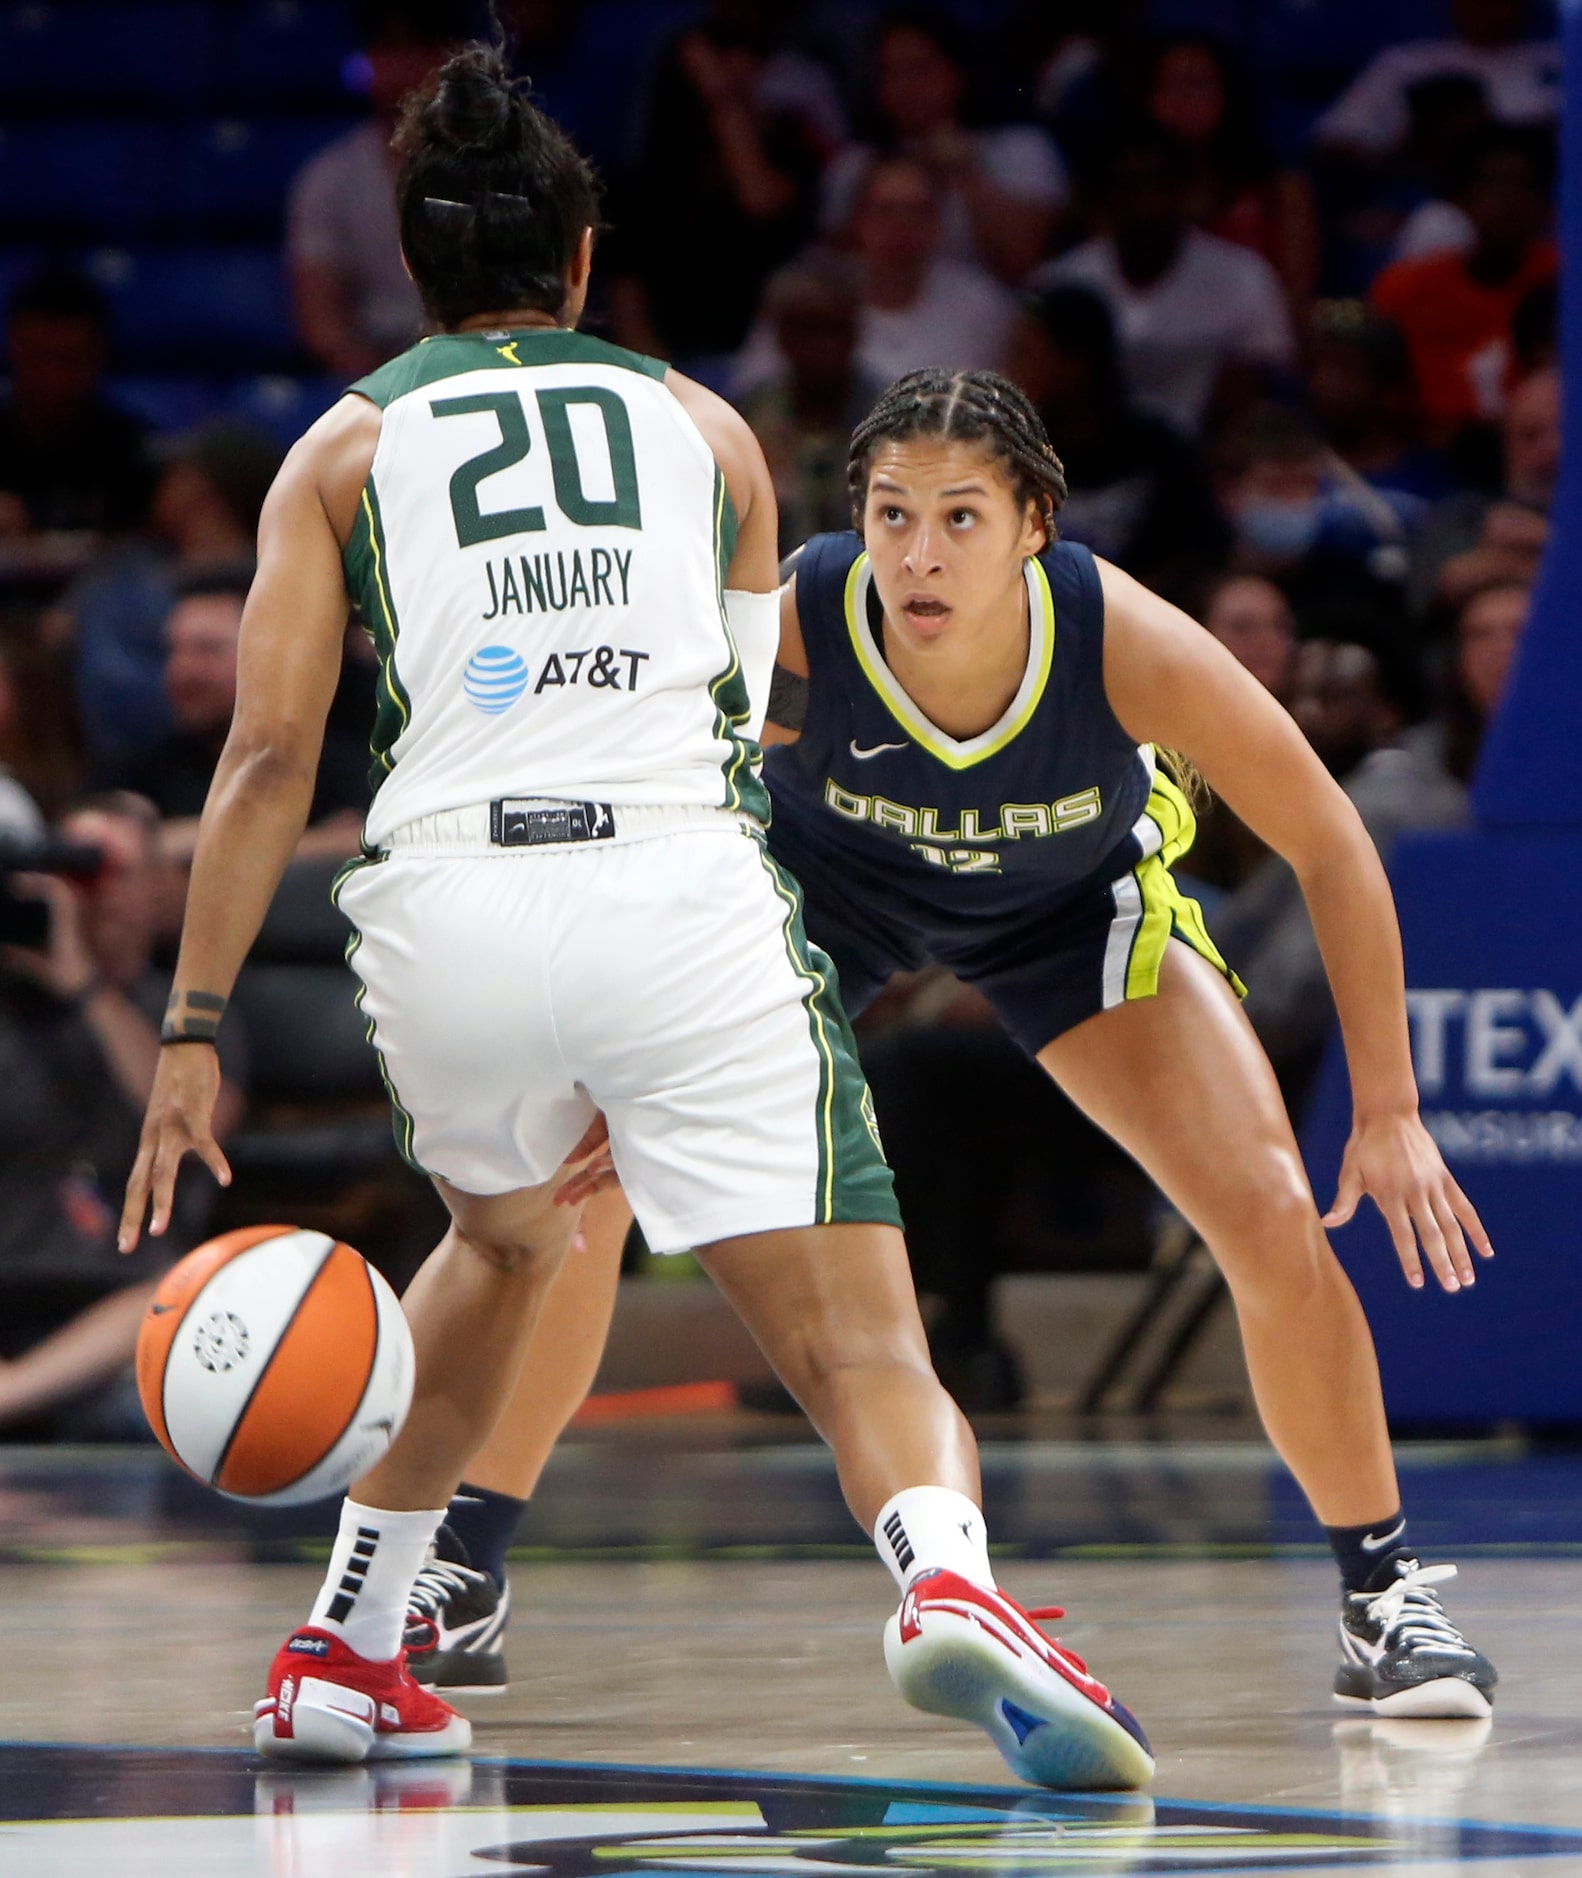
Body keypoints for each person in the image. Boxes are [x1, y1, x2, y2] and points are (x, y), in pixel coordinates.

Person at [118, 44, 1152, 1791]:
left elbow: (269, 755)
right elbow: (737, 744)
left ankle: (348, 1644)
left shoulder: (341, 445)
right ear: (582, 260)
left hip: (445, 906)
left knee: (507, 1241)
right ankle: (947, 1580)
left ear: (413, 265)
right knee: (856, 1339)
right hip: (670, 881)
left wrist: (191, 1030)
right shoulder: (711, 430)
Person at [410, 368, 1499, 1735]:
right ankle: (462, 1561)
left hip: (1067, 907)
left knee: (1271, 1210)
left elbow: (1332, 841)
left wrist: (1387, 1105)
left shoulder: (1121, 639)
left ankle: (1382, 1597)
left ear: (1035, 522)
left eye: (961, 518)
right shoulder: (793, 618)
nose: (919, 555)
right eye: (892, 515)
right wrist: (618, 1020)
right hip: (820, 890)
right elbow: (653, 797)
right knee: (584, 1175)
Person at [0, 794, 245, 1436]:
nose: (92, 893)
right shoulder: (11, 1006)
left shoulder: (190, 1018)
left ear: (162, 892)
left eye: (113, 872)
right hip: (9, 1285)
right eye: (75, 871)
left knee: (173, 1382)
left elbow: (203, 1135)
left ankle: (14, 1397)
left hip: (117, 1308)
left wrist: (84, 986)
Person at [1033, 124, 1295, 435]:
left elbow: (1264, 387)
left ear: (1187, 193)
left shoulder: (1243, 276)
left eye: (1161, 187)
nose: (1149, 204)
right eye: (1133, 188)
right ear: (1103, 196)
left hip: (1209, 457)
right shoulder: (1061, 282)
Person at [99, 570, 370, 867]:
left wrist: (191, 843)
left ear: (275, 654)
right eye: (173, 651)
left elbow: (359, 844)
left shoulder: (346, 759)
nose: (182, 670)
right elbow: (101, 839)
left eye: (207, 650)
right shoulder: (142, 766)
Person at [57, 416, 282, 771]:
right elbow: (107, 683)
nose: (161, 485)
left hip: (272, 748)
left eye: (177, 474)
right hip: (153, 758)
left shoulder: (288, 571)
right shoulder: (125, 576)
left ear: (205, 492)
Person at [1006, 282, 1228, 598]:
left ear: (1076, 365)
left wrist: (1129, 606)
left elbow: (1201, 553)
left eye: (1024, 353)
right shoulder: (1006, 453)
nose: (1011, 369)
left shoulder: (1159, 450)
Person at [821, 7, 1067, 285]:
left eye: (919, 69)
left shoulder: (1022, 148)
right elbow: (836, 264)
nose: (905, 86)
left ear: (957, 72)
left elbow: (1022, 263)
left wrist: (964, 172)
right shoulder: (852, 163)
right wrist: (894, 173)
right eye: (890, 72)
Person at [287, 0, 461, 378]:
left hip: (476, 361)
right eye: (388, 51)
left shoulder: (499, 169)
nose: (402, 69)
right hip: (381, 374)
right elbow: (324, 326)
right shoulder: (330, 177)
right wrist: (385, 390)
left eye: (417, 50)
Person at [1370, 125, 1556, 438]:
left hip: (1540, 447)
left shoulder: (1564, 282)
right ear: (1462, 199)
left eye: (1521, 185)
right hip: (1428, 450)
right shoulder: (1405, 286)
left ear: (1545, 203)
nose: (1506, 199)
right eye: (1491, 184)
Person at [735, 254, 889, 557]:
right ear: (782, 334)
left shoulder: (893, 420)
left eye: (835, 329)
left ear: (855, 333)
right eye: (808, 328)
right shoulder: (748, 420)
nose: (823, 345)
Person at [0, 265, 152, 539]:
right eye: (39, 357)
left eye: (68, 359)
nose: (53, 377)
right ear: (14, 350)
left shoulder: (135, 452)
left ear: (98, 356)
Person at [1314, 0, 1558, 163]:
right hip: (1419, 198)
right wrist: (1411, 152)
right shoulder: (1406, 63)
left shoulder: (1561, 62)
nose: (1487, 6)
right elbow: (1334, 142)